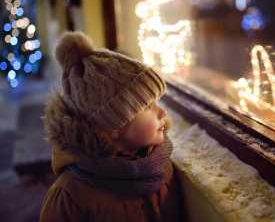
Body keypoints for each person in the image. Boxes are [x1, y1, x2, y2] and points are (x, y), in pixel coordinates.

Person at [39, 31, 184, 222]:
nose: (162, 113)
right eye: (148, 106)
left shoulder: (160, 166)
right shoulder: (71, 197)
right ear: (113, 126)